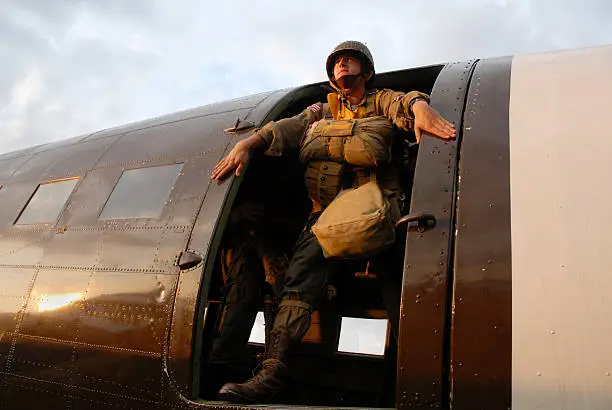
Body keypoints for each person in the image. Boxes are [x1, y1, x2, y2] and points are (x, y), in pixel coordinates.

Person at [211, 41, 456, 404]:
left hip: (375, 207)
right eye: (337, 62)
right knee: (298, 283)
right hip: (326, 215)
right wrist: (249, 143)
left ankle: (411, 379)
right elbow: (289, 128)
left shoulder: (381, 99)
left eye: (350, 60)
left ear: (366, 71)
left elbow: (404, 103)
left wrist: (420, 108)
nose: (342, 65)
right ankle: (272, 372)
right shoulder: (322, 111)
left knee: (402, 293)